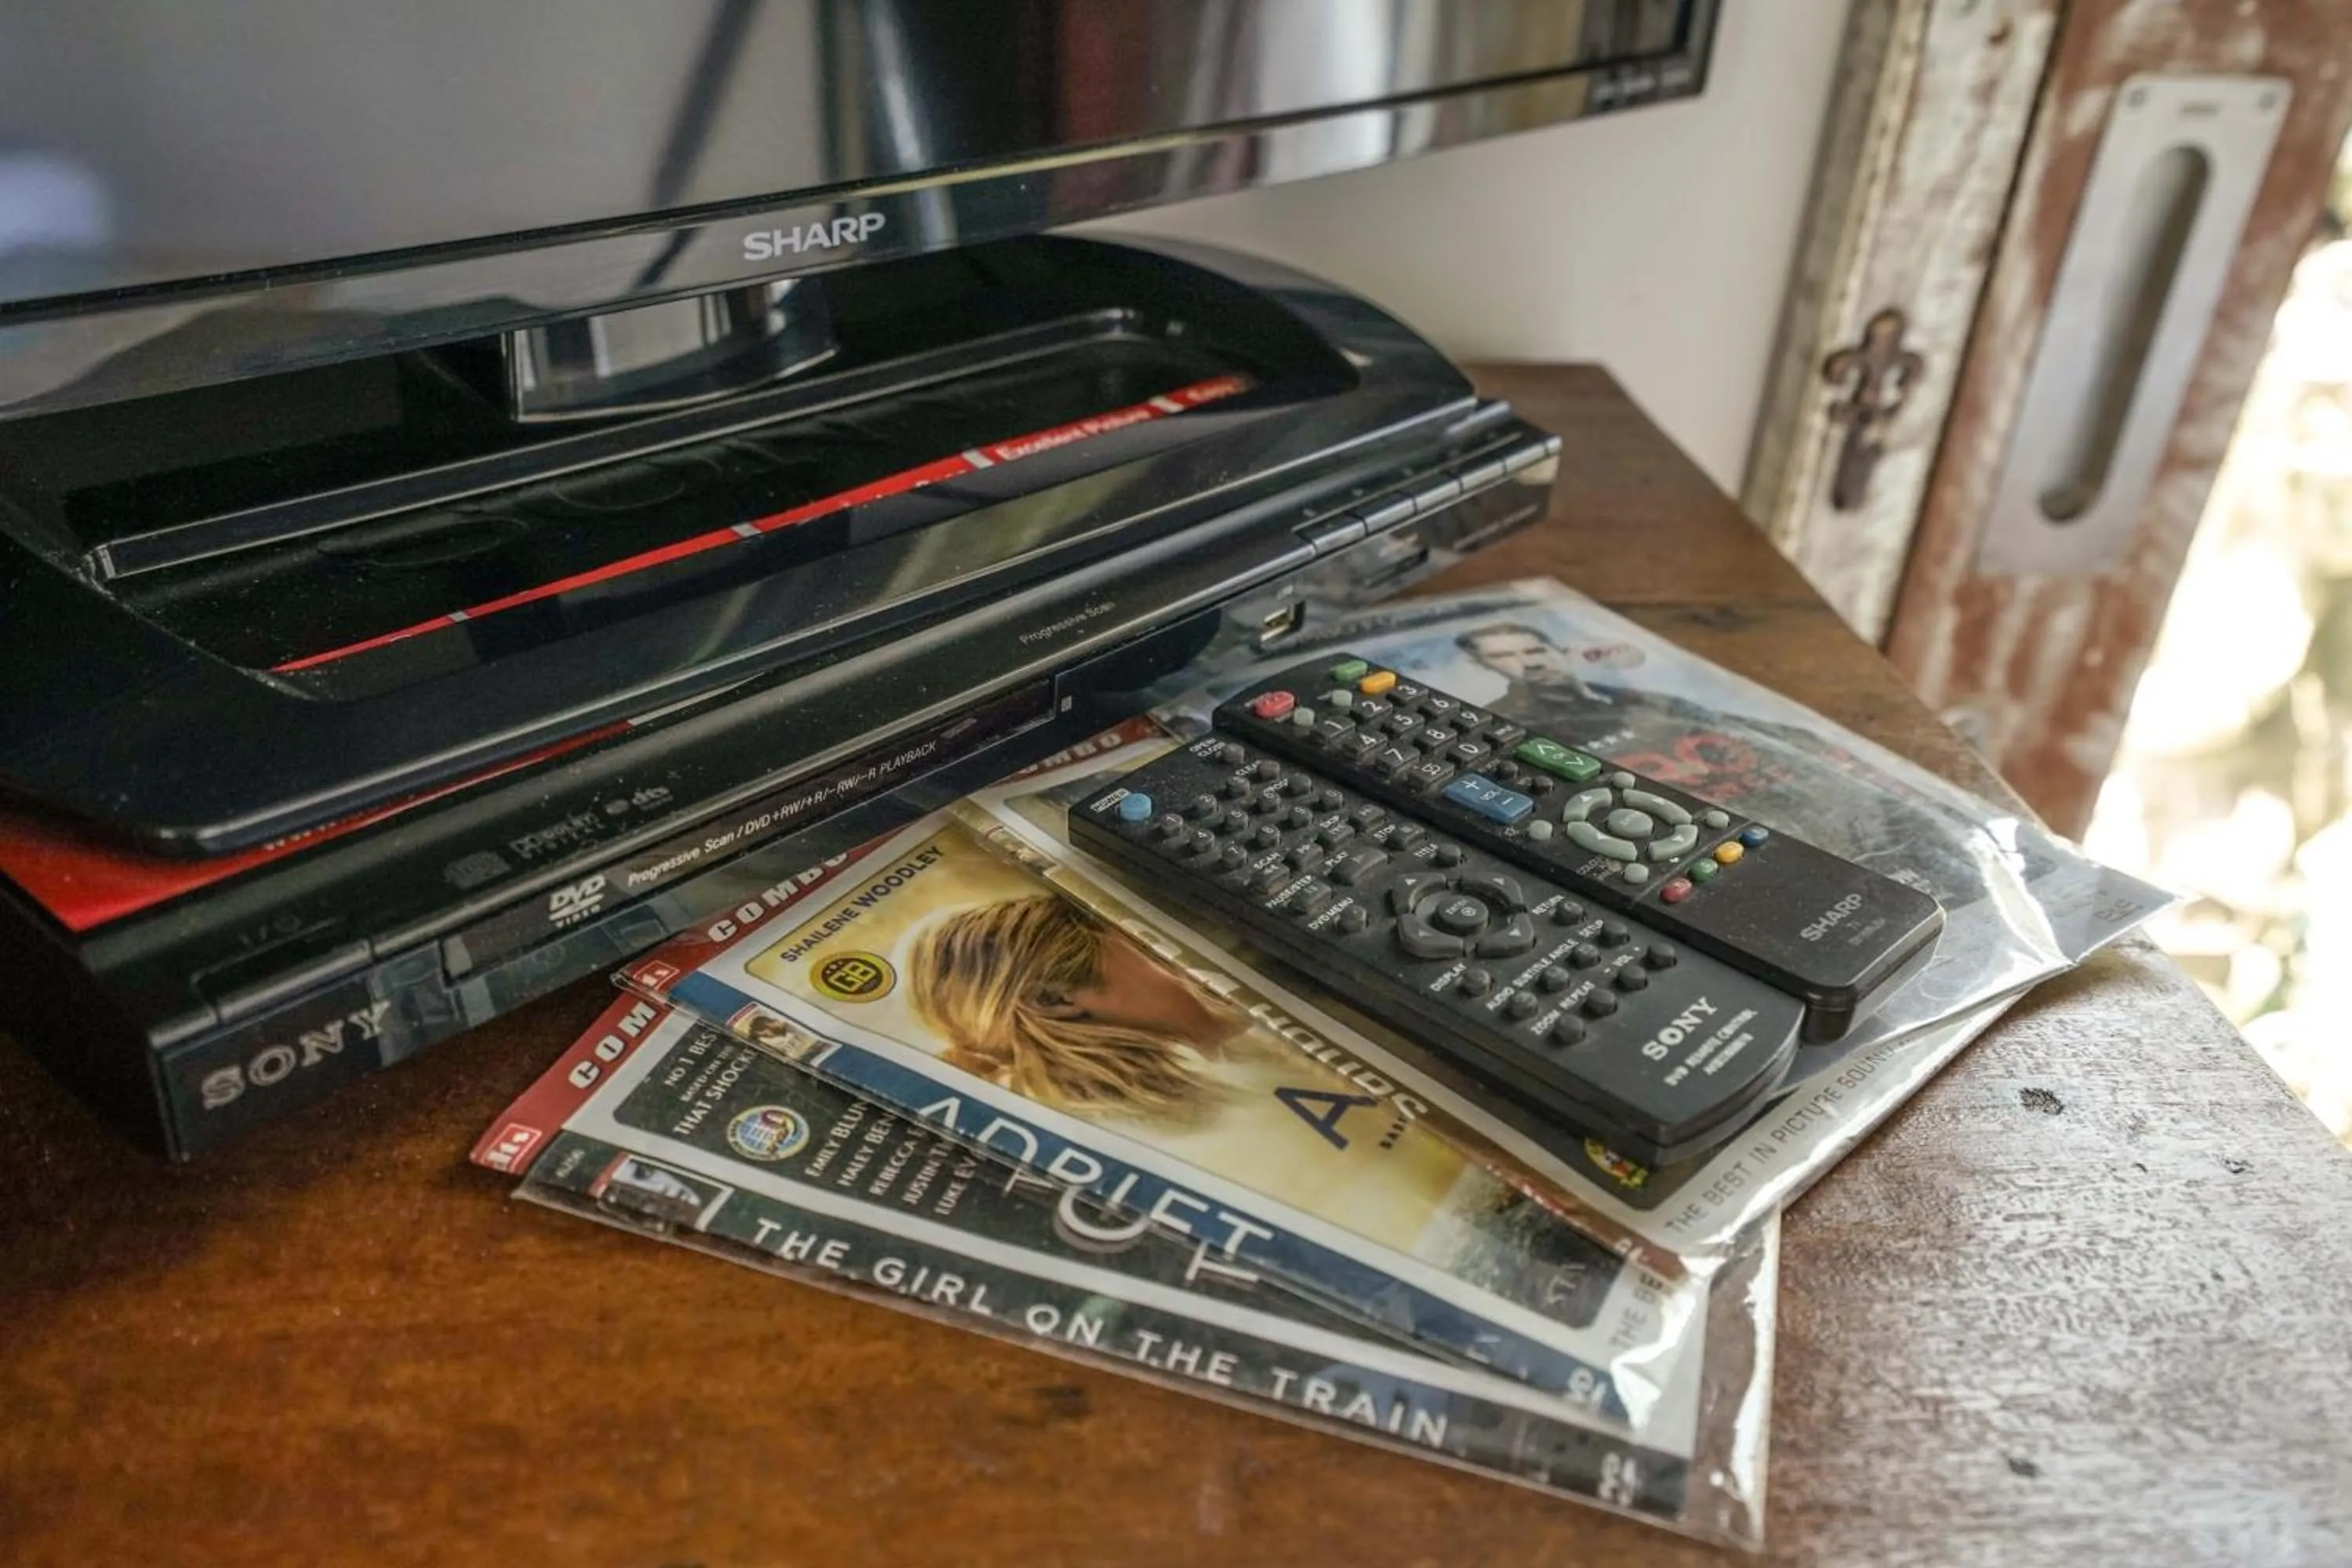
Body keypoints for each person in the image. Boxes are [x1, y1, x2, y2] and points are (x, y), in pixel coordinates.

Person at [906, 895, 1250, 1120]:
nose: (1182, 962)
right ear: (1055, 1000)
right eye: (1145, 944)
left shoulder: (1229, 1076)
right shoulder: (1215, 1122)